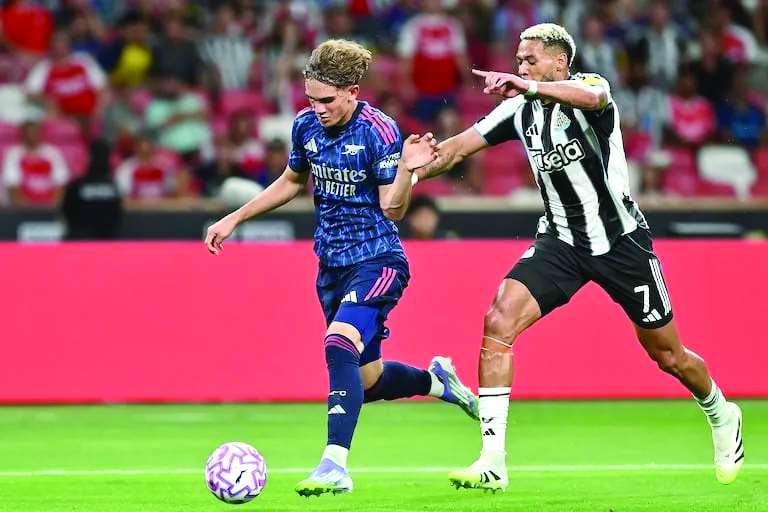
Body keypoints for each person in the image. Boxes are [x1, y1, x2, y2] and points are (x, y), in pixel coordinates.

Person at [413, 23, 744, 491]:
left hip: (621, 242)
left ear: (559, 62)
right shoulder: (519, 111)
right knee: (498, 320)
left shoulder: (590, 88)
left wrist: (527, 85)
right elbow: (454, 151)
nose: (521, 67)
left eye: (531, 60)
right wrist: (407, 168)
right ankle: (492, 461)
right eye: (519, 60)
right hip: (561, 242)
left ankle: (721, 412)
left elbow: (593, 98)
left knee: (668, 356)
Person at [204, 39, 478, 497]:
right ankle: (438, 382)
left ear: (352, 92)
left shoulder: (379, 131)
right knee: (368, 381)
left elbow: (393, 209)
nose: (318, 108)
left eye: (327, 100)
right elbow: (291, 181)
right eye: (311, 99)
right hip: (331, 266)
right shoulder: (305, 125)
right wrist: (235, 217)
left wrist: (407, 171)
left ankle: (334, 464)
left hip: (378, 259)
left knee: (338, 342)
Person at [61, 139, 122, 239]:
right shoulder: (114, 187)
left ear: (90, 158)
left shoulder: (76, 185)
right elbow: (118, 217)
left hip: (80, 242)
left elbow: (66, 212)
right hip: (106, 243)